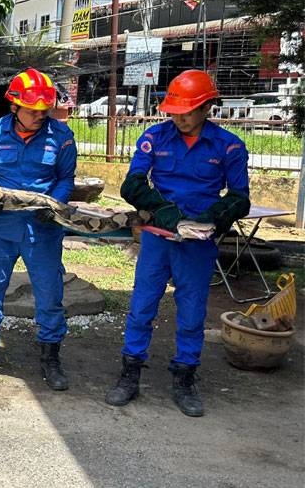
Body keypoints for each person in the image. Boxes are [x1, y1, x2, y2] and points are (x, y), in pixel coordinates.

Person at [106, 70, 249, 417]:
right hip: (158, 238)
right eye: (174, 111)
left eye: (188, 110)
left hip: (198, 242)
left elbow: (240, 197)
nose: (180, 117)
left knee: (191, 313)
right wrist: (163, 211)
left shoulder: (229, 145)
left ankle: (185, 376)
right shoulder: (154, 138)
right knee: (142, 306)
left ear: (206, 108)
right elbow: (133, 185)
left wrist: (216, 216)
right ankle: (130, 372)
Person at [0, 68, 77, 389]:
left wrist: (53, 205)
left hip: (42, 230)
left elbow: (65, 178)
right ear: (14, 107)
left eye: (44, 110)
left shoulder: (61, 137)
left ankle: (50, 354)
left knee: (49, 291)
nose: (39, 116)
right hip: (0, 228)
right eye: (32, 110)